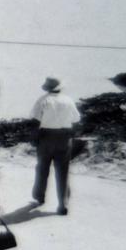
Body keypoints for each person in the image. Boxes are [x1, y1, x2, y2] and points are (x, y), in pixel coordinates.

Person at [30, 77, 81, 215]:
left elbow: (35, 121)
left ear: (47, 88)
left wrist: (34, 138)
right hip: (64, 137)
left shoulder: (43, 100)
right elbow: (76, 119)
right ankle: (63, 204)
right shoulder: (68, 100)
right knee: (63, 171)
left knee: (42, 168)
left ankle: (40, 197)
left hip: (46, 136)